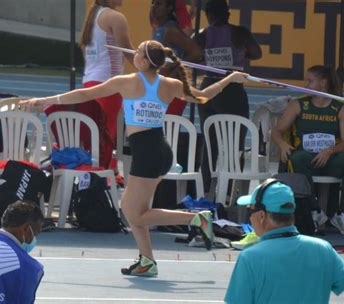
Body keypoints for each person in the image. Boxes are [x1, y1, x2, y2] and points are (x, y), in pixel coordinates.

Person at [21, 40, 249, 277]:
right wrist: (230, 79)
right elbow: (202, 97)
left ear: (144, 60)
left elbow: (84, 93)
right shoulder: (170, 84)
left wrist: (46, 100)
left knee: (133, 212)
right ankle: (147, 261)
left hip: (148, 152)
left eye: (137, 51)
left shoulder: (127, 82)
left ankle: (196, 219)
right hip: (159, 150)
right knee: (136, 211)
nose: (134, 53)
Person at [225, 179, 344, 304]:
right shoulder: (323, 250)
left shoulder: (250, 257)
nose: (250, 218)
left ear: (262, 216)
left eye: (250, 211)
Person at [46, 0, 134, 185]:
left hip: (91, 82)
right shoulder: (115, 17)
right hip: (108, 84)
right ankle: (100, 178)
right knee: (105, 135)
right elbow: (129, 53)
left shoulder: (93, 16)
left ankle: (102, 172)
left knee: (95, 134)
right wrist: (152, 71)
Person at [272, 65, 344, 235]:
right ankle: (315, 210)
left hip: (329, 158)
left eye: (310, 81)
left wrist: (329, 151)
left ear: (323, 83)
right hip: (306, 158)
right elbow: (277, 131)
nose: (306, 85)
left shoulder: (341, 108)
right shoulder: (299, 104)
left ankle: (341, 214)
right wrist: (282, 144)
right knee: (296, 158)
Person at [194, 0, 262, 194]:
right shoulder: (239, 32)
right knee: (235, 142)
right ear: (228, 13)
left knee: (210, 141)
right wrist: (240, 52)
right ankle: (232, 190)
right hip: (231, 89)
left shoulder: (202, 35)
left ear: (207, 15)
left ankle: (206, 189)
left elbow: (192, 56)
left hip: (208, 86)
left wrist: (209, 55)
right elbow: (257, 53)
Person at [150, 0, 202, 116]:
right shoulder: (160, 28)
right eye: (153, 3)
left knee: (168, 130)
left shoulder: (171, 31)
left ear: (169, 8)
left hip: (173, 89)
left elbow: (196, 52)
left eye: (159, 4)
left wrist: (174, 69)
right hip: (162, 87)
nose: (154, 7)